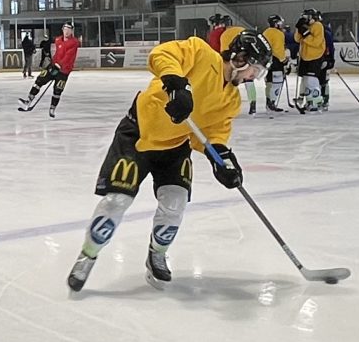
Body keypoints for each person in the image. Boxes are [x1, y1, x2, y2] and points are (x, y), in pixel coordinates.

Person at [66, 28, 265, 292]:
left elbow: (212, 133)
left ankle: (157, 253)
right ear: (241, 58)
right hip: (138, 136)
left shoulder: (231, 100)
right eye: (256, 69)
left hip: (174, 147)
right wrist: (177, 83)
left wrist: (222, 158)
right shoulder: (201, 53)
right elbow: (162, 54)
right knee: (116, 201)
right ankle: (87, 255)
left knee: (175, 203)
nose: (254, 77)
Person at [20, 22, 81, 114]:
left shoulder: (74, 42)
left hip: (64, 71)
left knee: (58, 89)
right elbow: (57, 54)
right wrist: (53, 64)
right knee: (39, 80)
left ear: (72, 31)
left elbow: (68, 57)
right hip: (54, 66)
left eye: (69, 30)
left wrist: (59, 66)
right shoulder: (58, 40)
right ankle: (29, 100)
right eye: (65, 29)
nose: (66, 31)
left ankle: (52, 108)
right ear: (62, 30)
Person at [296, 9, 330, 110]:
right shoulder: (307, 26)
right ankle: (310, 101)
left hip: (315, 56)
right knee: (306, 81)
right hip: (305, 57)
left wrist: (305, 33)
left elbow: (316, 42)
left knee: (312, 80)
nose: (305, 19)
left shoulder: (318, 26)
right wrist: (298, 28)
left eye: (307, 17)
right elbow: (297, 39)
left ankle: (317, 101)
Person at [261, 16, 292, 118]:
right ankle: (272, 103)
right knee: (277, 83)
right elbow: (278, 50)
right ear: (276, 23)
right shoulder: (278, 34)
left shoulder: (265, 32)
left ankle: (268, 103)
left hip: (266, 61)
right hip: (275, 61)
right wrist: (284, 61)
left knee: (269, 82)